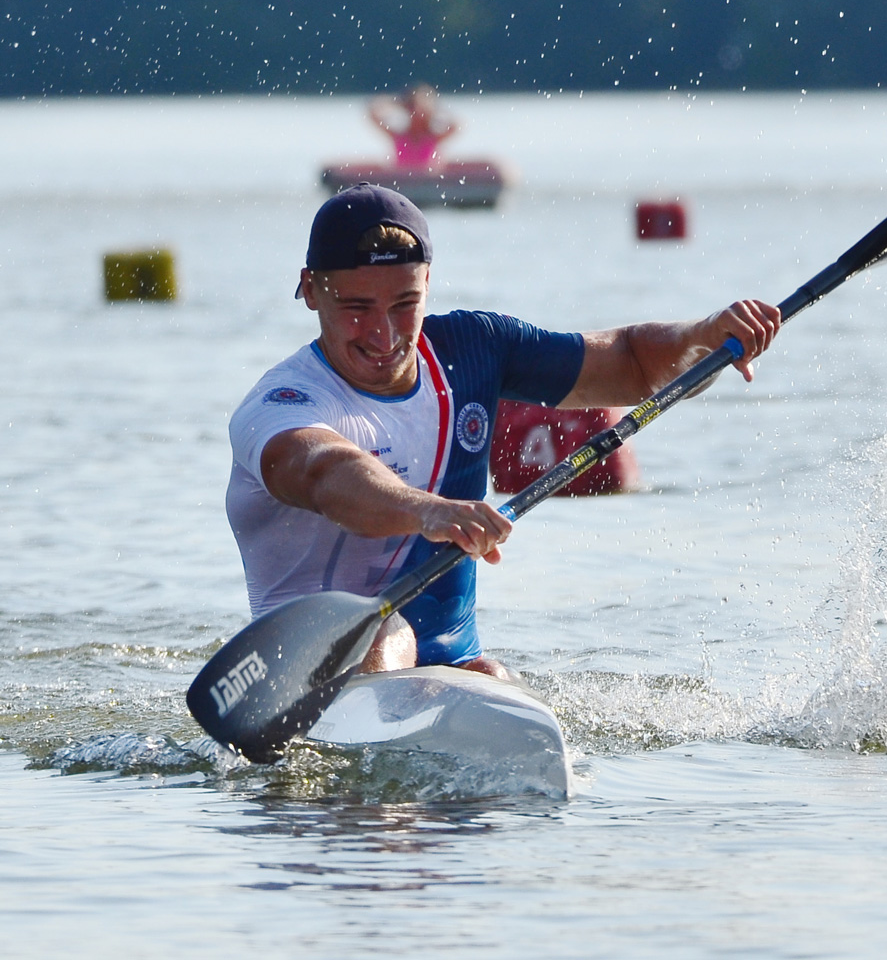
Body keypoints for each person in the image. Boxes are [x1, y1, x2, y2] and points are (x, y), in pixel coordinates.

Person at [227, 184, 780, 676]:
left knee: (493, 677)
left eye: (405, 303)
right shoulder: (282, 405)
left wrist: (704, 336)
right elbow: (328, 474)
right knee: (385, 634)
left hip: (460, 670)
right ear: (309, 289)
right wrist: (428, 510)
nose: (385, 332)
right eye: (356, 307)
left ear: (428, 286)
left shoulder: (473, 349)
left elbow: (633, 362)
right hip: (301, 670)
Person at [367, 84, 458, 168]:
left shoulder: (434, 137)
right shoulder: (399, 136)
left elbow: (456, 125)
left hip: (429, 183)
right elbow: (372, 115)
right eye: (413, 107)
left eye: (423, 110)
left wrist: (433, 109)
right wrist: (397, 102)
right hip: (402, 182)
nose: (418, 112)